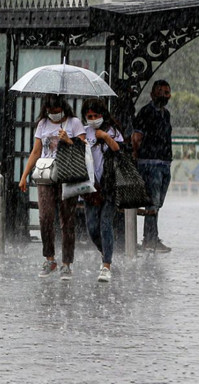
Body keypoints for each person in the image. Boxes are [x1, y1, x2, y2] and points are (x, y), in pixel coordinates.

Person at [19, 94, 86, 281]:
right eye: (50, 111)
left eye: (56, 111)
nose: (53, 114)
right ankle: (50, 258)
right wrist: (24, 175)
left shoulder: (74, 123)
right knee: (45, 216)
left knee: (67, 219)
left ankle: (67, 263)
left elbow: (84, 148)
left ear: (62, 108)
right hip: (46, 175)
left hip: (67, 175)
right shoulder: (42, 124)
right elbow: (36, 151)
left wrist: (69, 140)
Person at [81, 98, 122, 283]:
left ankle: (106, 265)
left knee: (105, 223)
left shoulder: (112, 130)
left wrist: (105, 136)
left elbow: (118, 149)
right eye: (89, 116)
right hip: (91, 187)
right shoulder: (83, 131)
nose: (92, 119)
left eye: (96, 115)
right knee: (92, 227)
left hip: (110, 185)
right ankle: (105, 251)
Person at [132, 80, 173, 253]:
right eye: (160, 91)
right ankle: (150, 239)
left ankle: (151, 237)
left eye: (167, 92)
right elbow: (136, 138)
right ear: (152, 94)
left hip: (164, 163)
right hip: (150, 163)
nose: (164, 95)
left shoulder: (166, 114)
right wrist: (137, 157)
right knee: (152, 202)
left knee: (157, 202)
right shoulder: (145, 113)